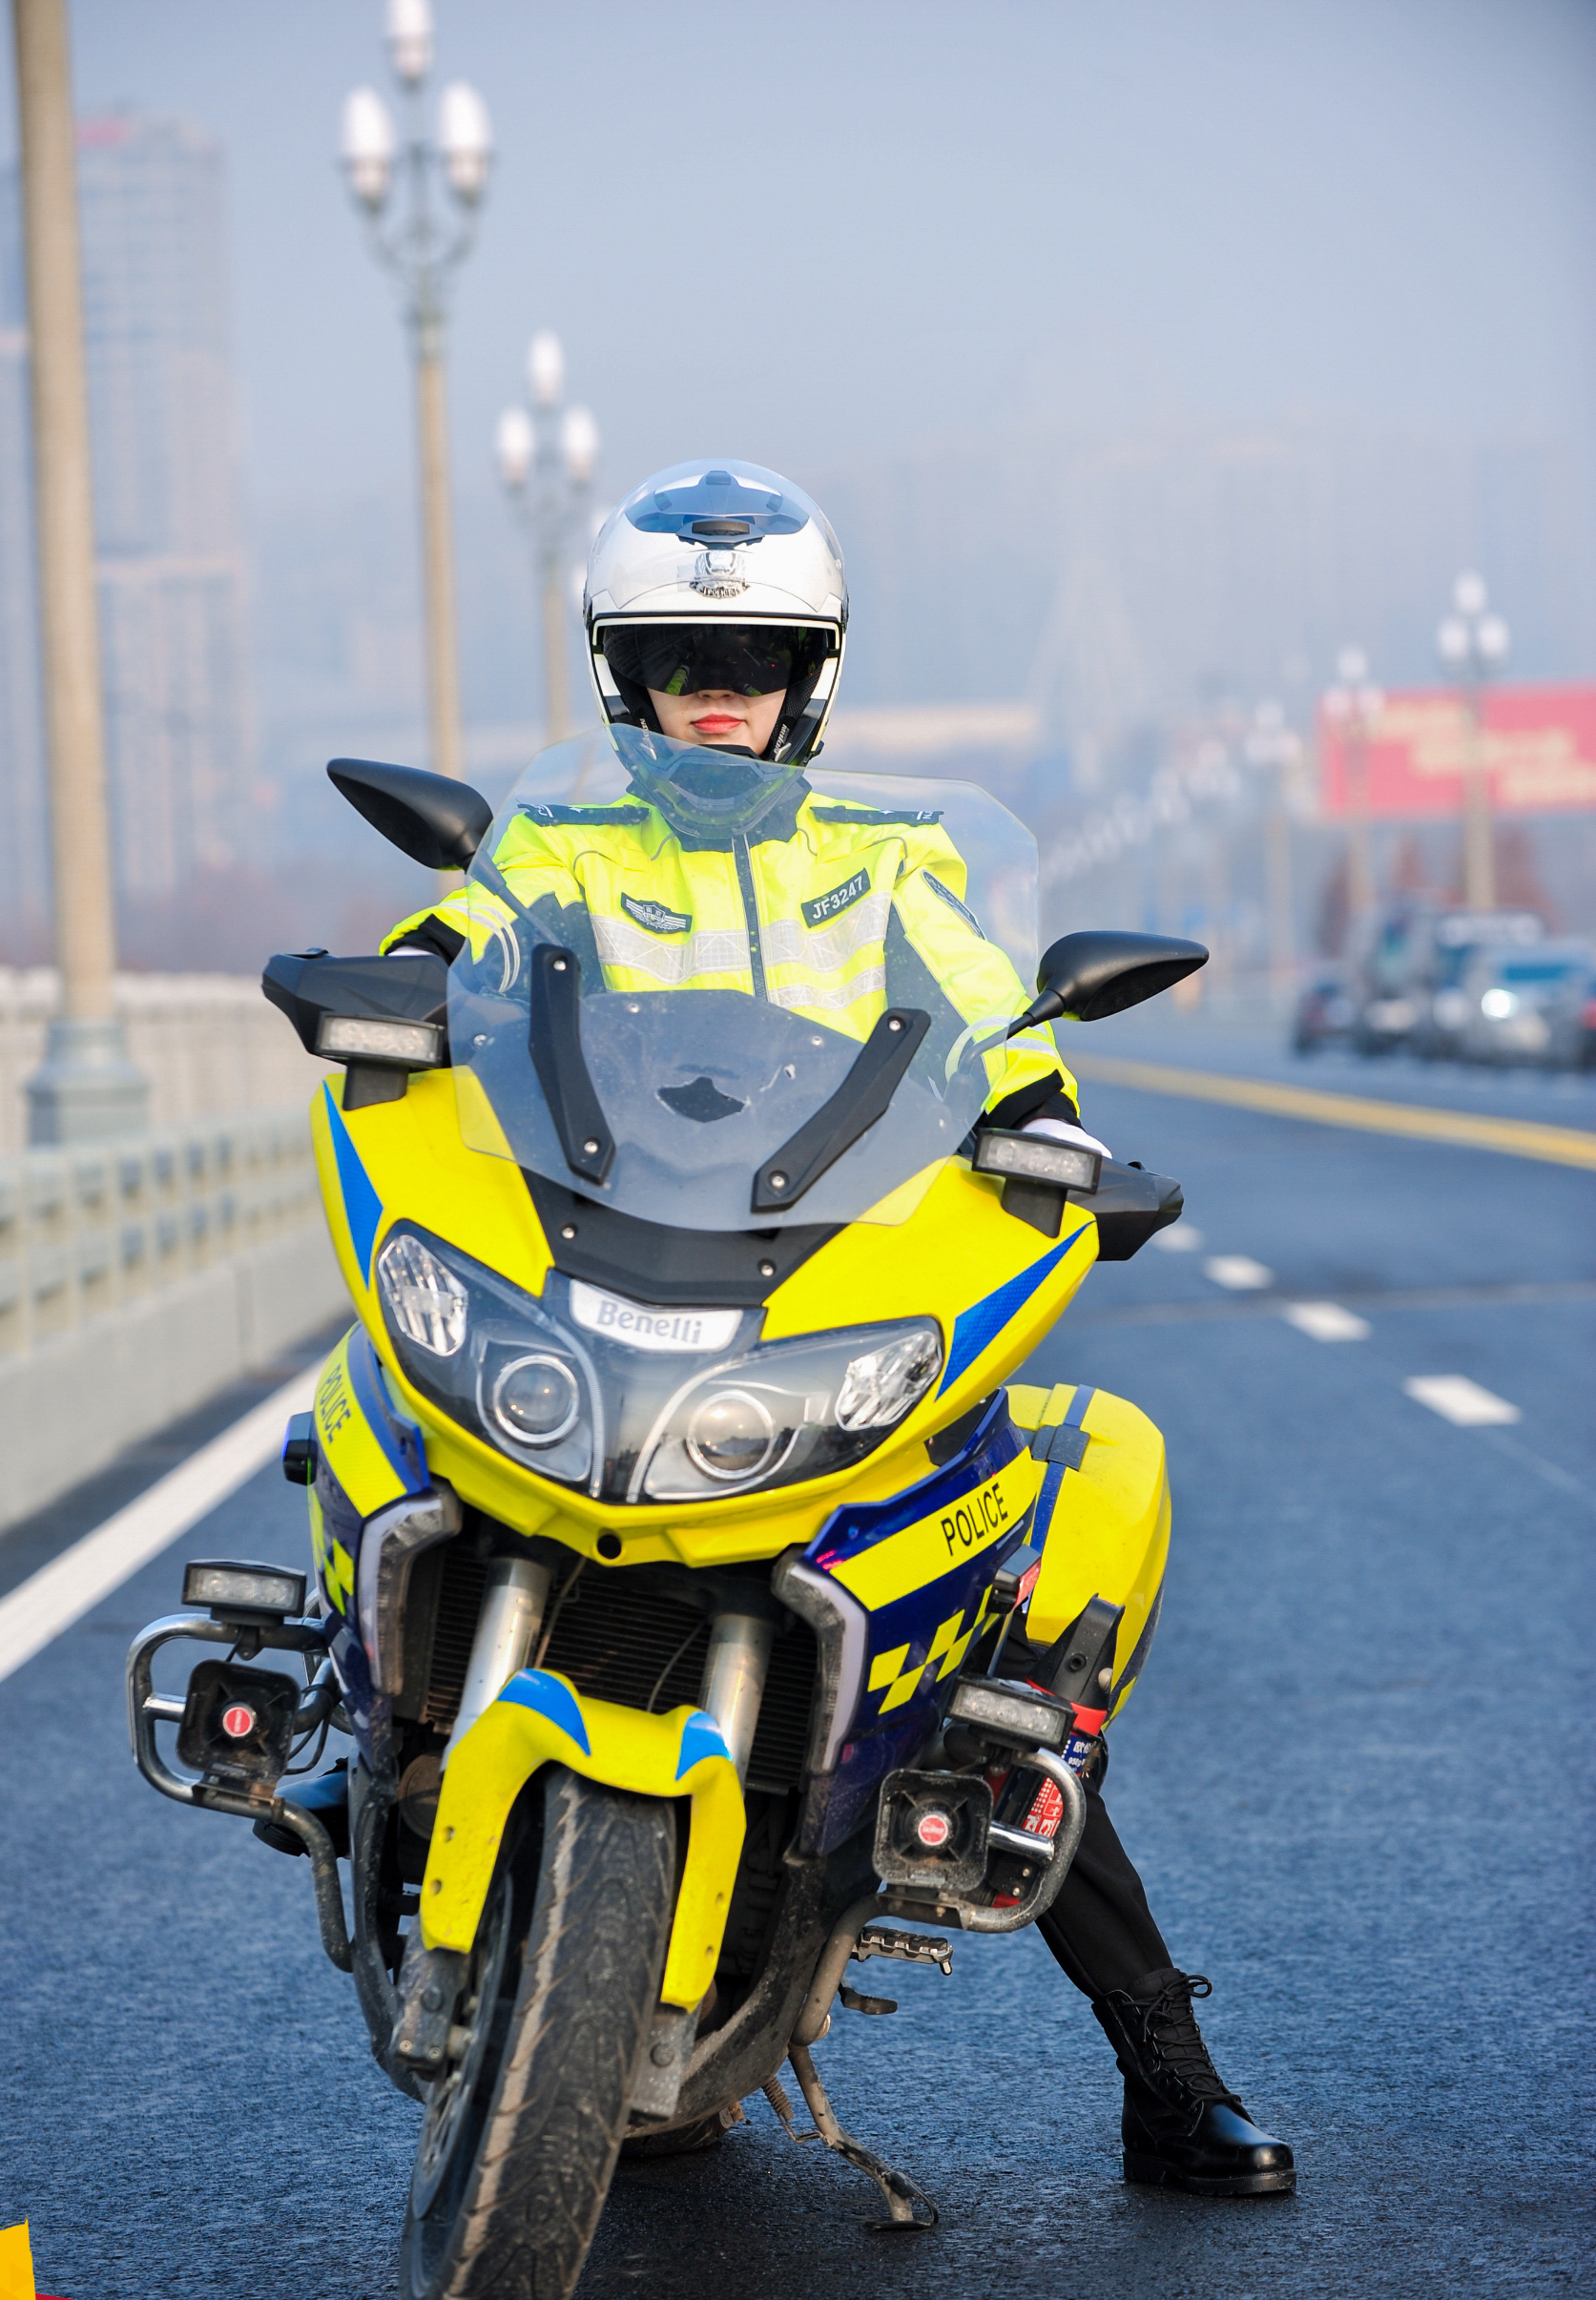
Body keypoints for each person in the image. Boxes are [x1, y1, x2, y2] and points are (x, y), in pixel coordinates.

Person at [384, 458, 1295, 2200]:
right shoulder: (557, 849)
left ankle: (1169, 2074)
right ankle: (357, 1738)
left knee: (1001, 1641)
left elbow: (1000, 1021)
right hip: (593, 1271)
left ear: (813, 679)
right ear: (623, 677)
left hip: (821, 1305)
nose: (717, 696)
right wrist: (395, 987)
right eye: (679, 661)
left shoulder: (886, 864)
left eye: (756, 663)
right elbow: (459, 935)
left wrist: (1054, 1128)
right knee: (374, 1409)